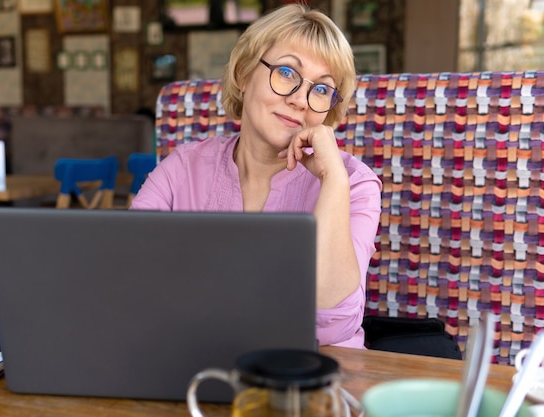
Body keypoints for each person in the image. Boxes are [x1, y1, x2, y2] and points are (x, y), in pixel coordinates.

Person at [130, 3, 382, 348]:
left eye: (322, 89)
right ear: (244, 75)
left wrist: (333, 183)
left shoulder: (353, 182)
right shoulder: (182, 167)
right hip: (191, 366)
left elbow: (331, 326)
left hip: (313, 380)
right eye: (287, 73)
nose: (301, 100)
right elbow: (128, 284)